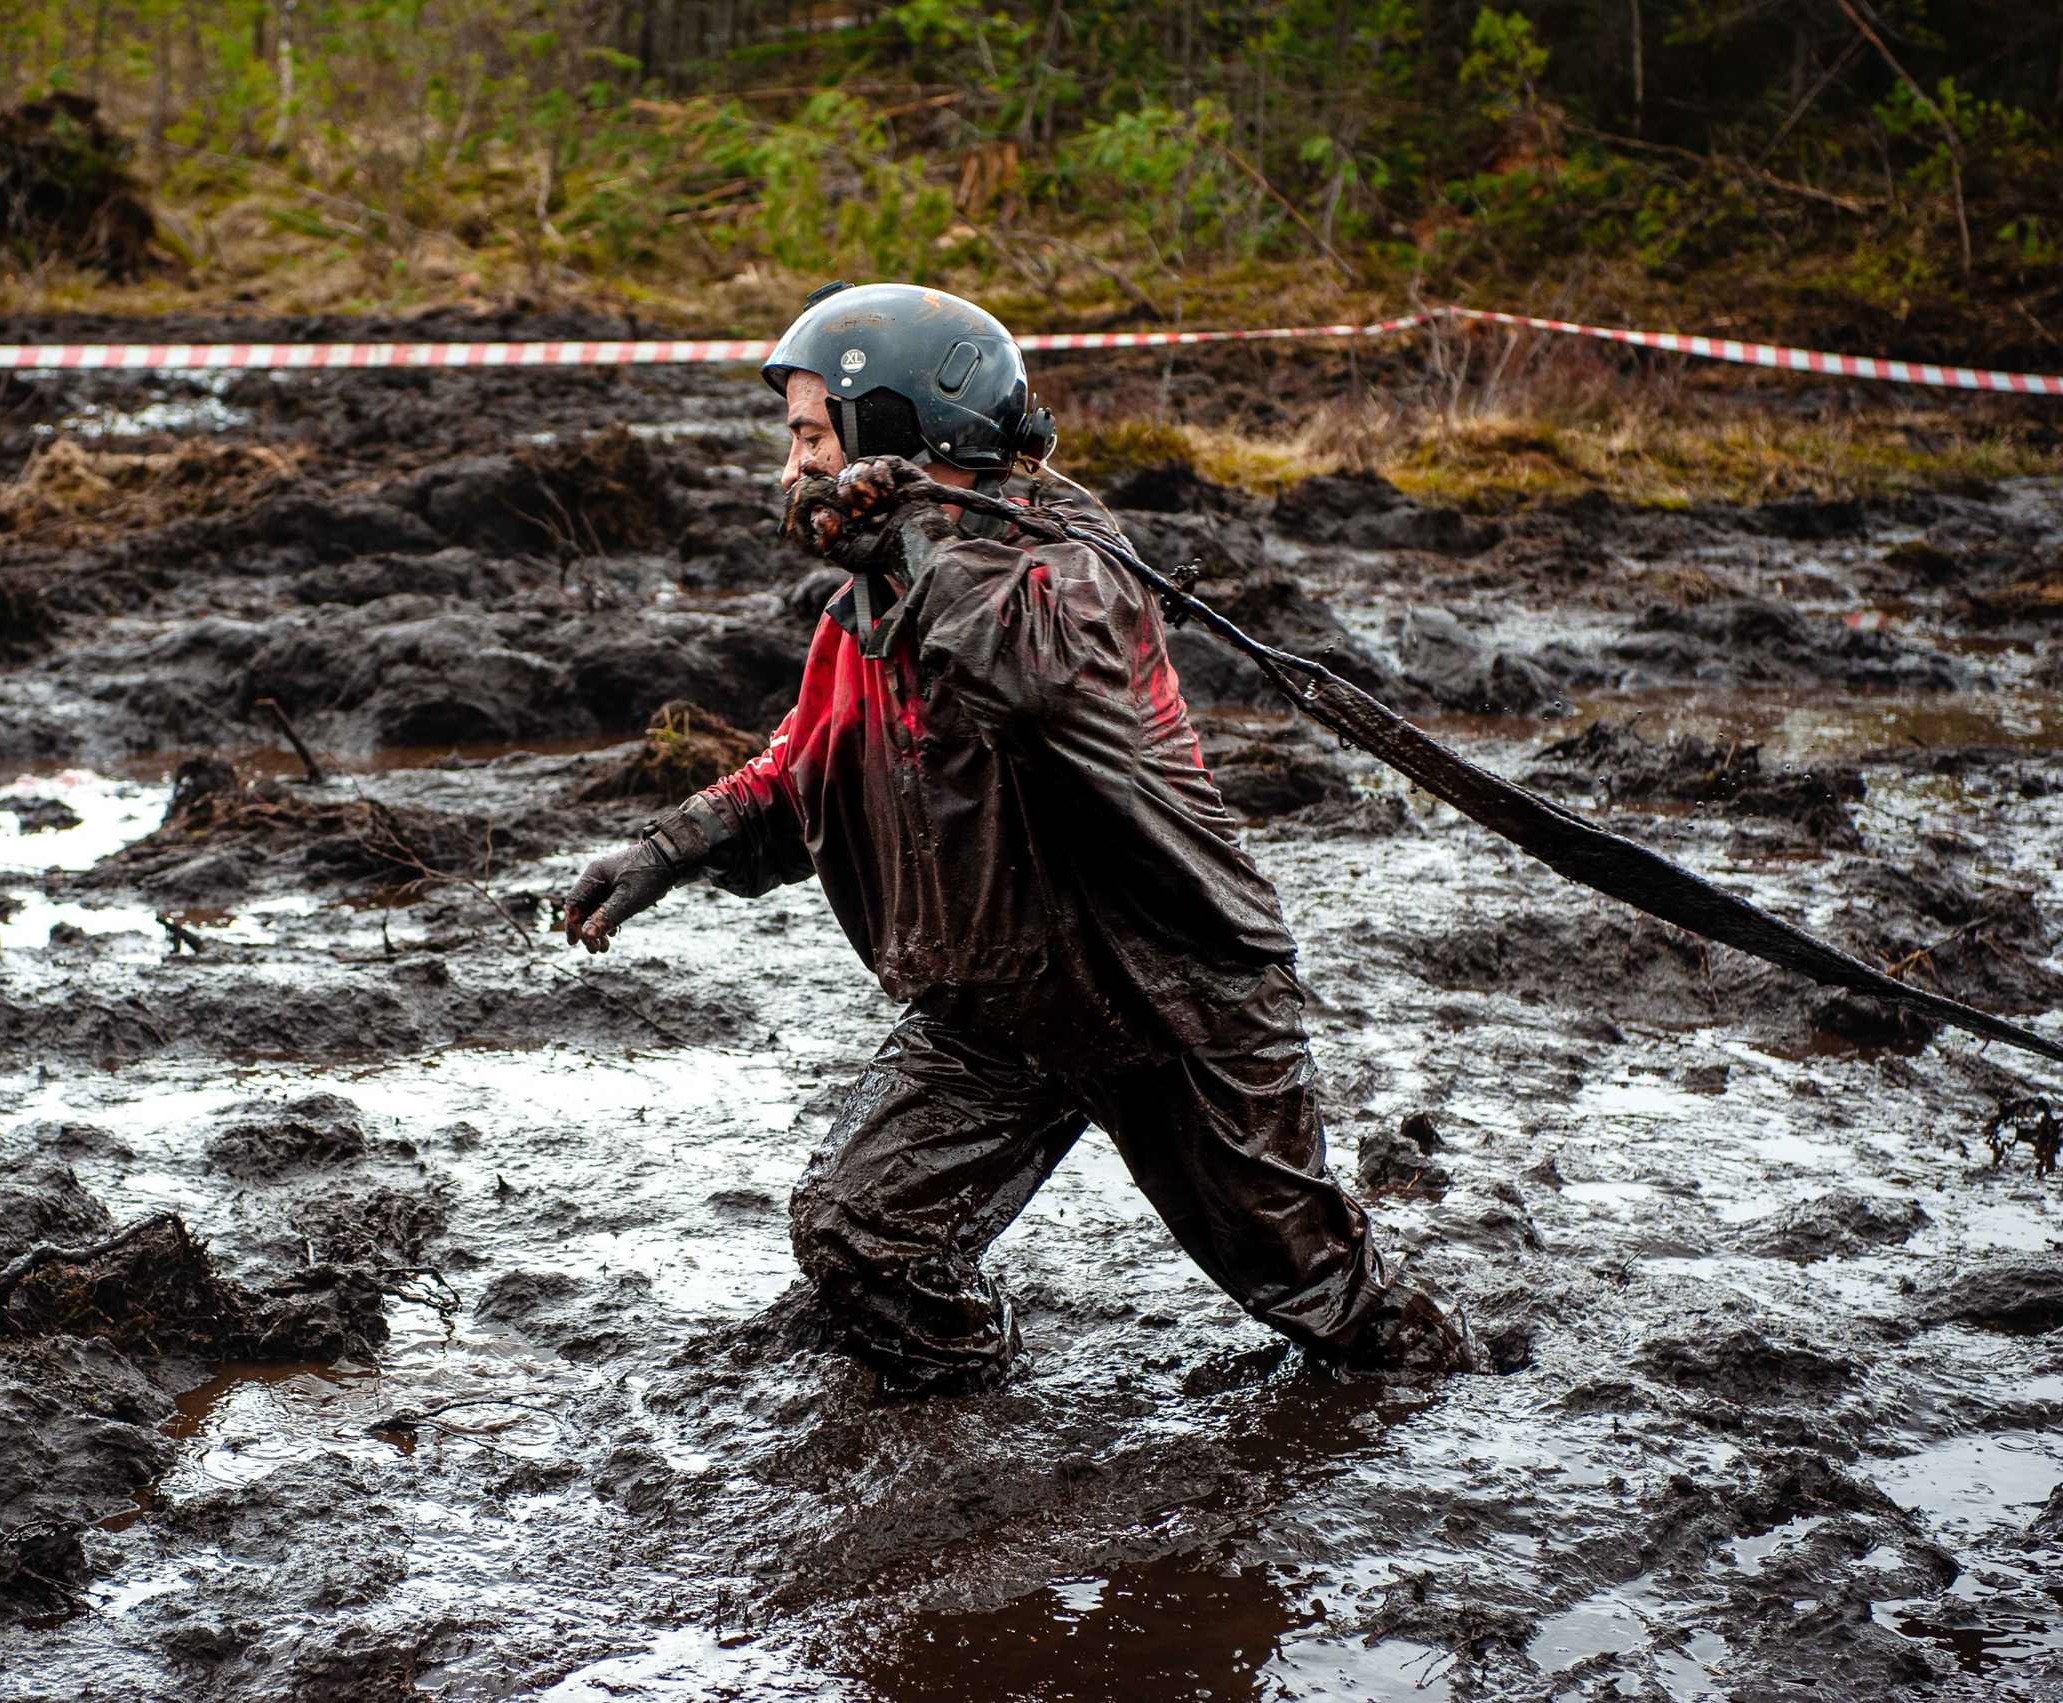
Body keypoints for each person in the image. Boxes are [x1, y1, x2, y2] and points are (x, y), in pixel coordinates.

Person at [562, 282, 1474, 1395]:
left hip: (1171, 994)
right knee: (860, 1234)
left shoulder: (1069, 570)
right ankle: (983, 1435)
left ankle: (1448, 1406)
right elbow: (809, 759)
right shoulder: (875, 596)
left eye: (811, 436)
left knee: (1321, 1300)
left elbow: (1032, 691)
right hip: (997, 1003)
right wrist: (666, 849)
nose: (792, 467)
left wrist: (913, 532)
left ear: (897, 435)